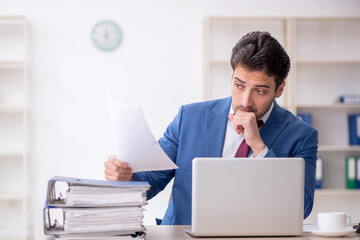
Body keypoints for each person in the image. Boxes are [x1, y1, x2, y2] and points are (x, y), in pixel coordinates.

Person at [104, 31, 318, 225]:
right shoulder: (189, 117)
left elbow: (302, 208)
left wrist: (259, 147)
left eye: (260, 91)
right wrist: (126, 178)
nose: (246, 101)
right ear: (231, 77)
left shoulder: (301, 136)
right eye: (239, 85)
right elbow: (151, 181)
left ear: (279, 89)